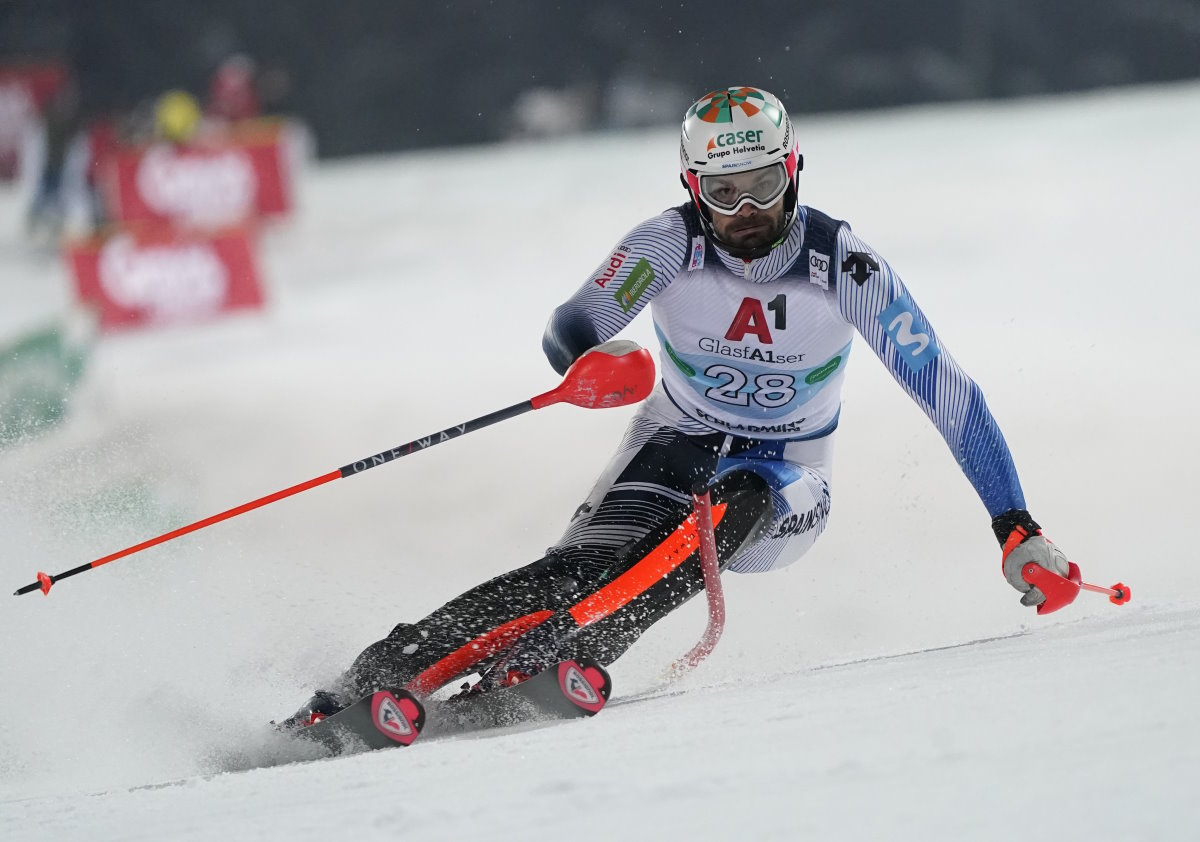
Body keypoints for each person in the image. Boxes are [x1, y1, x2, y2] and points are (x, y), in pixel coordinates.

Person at [281, 85, 1070, 726]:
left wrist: (1016, 527)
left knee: (740, 497)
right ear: (694, 188)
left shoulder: (844, 266)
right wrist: (588, 365)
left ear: (793, 170)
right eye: (722, 192)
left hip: (788, 478)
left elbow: (949, 394)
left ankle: (577, 644)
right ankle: (381, 674)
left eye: (762, 185)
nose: (744, 210)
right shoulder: (669, 245)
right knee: (576, 568)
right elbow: (576, 323)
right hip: (673, 438)